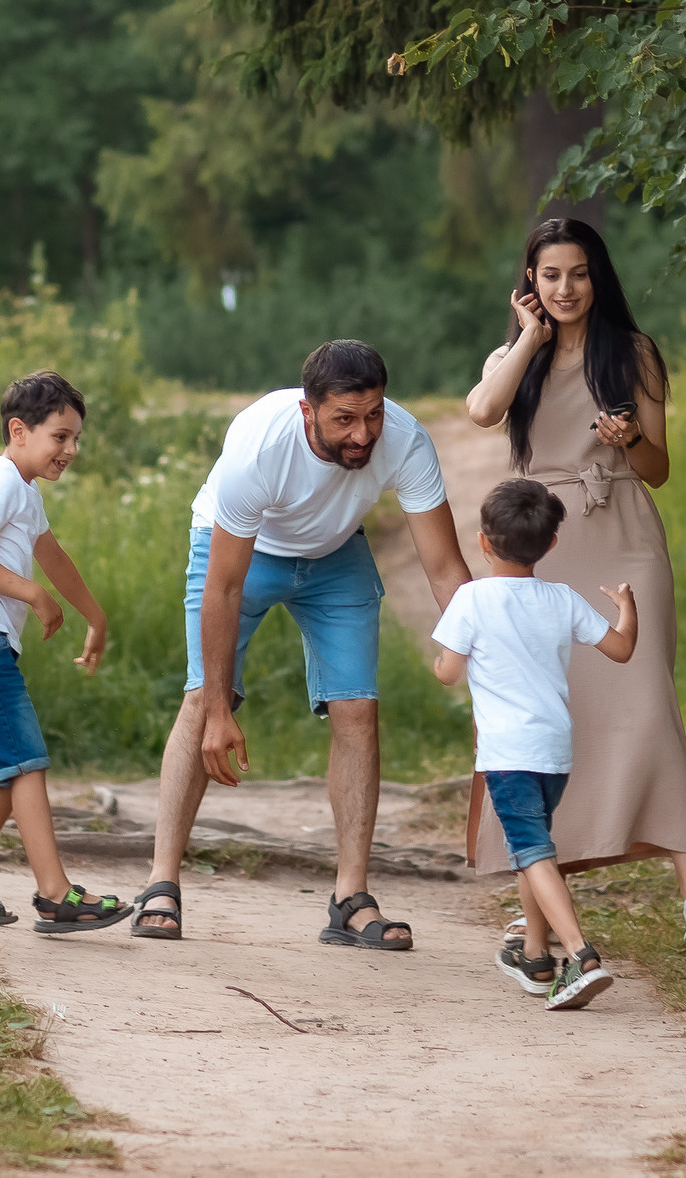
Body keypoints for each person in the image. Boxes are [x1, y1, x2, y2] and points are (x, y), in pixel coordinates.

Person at [132, 339, 473, 948]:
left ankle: (351, 897)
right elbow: (226, 587)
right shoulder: (259, 444)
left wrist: (490, 665)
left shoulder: (405, 438)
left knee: (357, 708)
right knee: (202, 701)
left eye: (372, 414)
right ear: (307, 410)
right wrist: (217, 707)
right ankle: (161, 882)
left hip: (336, 554)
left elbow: (445, 569)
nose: (363, 435)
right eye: (345, 419)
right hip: (243, 554)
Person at [460, 218, 686, 944]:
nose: (565, 288)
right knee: (551, 715)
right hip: (544, 543)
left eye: (578, 273)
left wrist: (632, 441)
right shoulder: (514, 356)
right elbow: (482, 410)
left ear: (598, 277)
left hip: (622, 534)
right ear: (530, 283)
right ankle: (542, 909)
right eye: (550, 275)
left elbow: (659, 469)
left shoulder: (634, 353)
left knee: (646, 700)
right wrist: (528, 338)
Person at [0, 370, 133, 936]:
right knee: (28, 763)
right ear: (19, 430)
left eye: (75, 438)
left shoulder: (25, 491)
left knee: (6, 774)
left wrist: (94, 613)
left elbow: (52, 553)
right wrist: (32, 593)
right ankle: (55, 893)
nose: (71, 449)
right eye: (60, 436)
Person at [431, 478, 637, 1010]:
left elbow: (448, 674)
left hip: (507, 752)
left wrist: (447, 658)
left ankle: (581, 956)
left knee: (532, 853)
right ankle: (534, 954)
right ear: (550, 544)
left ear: (482, 542)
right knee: (535, 849)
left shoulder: (471, 600)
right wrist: (625, 607)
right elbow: (621, 649)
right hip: (554, 750)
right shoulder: (562, 599)